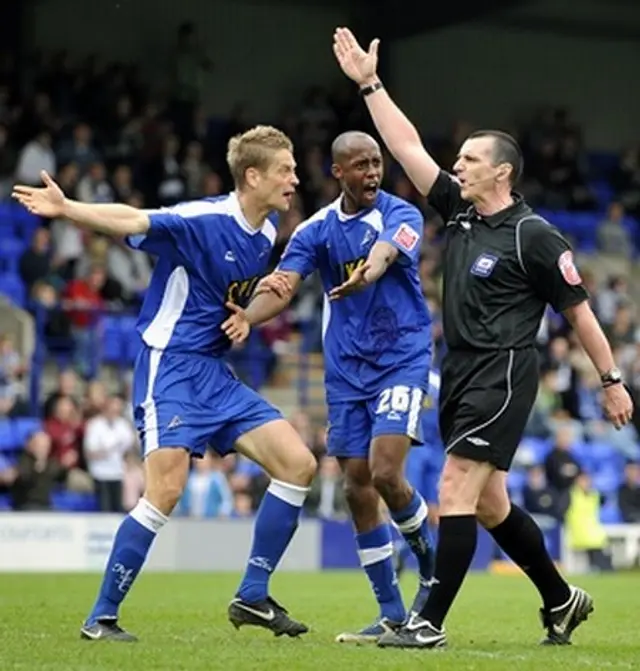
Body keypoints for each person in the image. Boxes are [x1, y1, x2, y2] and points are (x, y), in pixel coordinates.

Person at [332, 28, 634, 649]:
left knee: (453, 489)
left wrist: (610, 381)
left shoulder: (537, 237)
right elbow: (406, 143)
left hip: (503, 373)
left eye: (469, 159)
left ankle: (427, 624)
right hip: (461, 369)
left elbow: (579, 314)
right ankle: (561, 599)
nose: (457, 165)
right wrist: (369, 83)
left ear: (501, 172)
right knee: (491, 504)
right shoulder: (460, 212)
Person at [12, 125, 317, 642]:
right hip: (170, 366)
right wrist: (69, 209)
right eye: (285, 170)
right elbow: (134, 219)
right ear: (253, 176)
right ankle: (100, 618)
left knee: (299, 464)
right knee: (166, 491)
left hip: (216, 374)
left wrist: (245, 313)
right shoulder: (203, 219)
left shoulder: (265, 235)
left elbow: (225, 297)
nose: (294, 179)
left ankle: (253, 596)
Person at [222, 130, 435, 643]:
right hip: (346, 374)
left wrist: (369, 272)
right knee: (356, 483)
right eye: (360, 166)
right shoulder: (316, 230)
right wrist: (247, 319)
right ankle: (391, 612)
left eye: (377, 164)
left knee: (387, 471)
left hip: (401, 359)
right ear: (338, 172)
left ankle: (433, 575)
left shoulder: (401, 214)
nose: (372, 174)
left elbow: (386, 253)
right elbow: (284, 286)